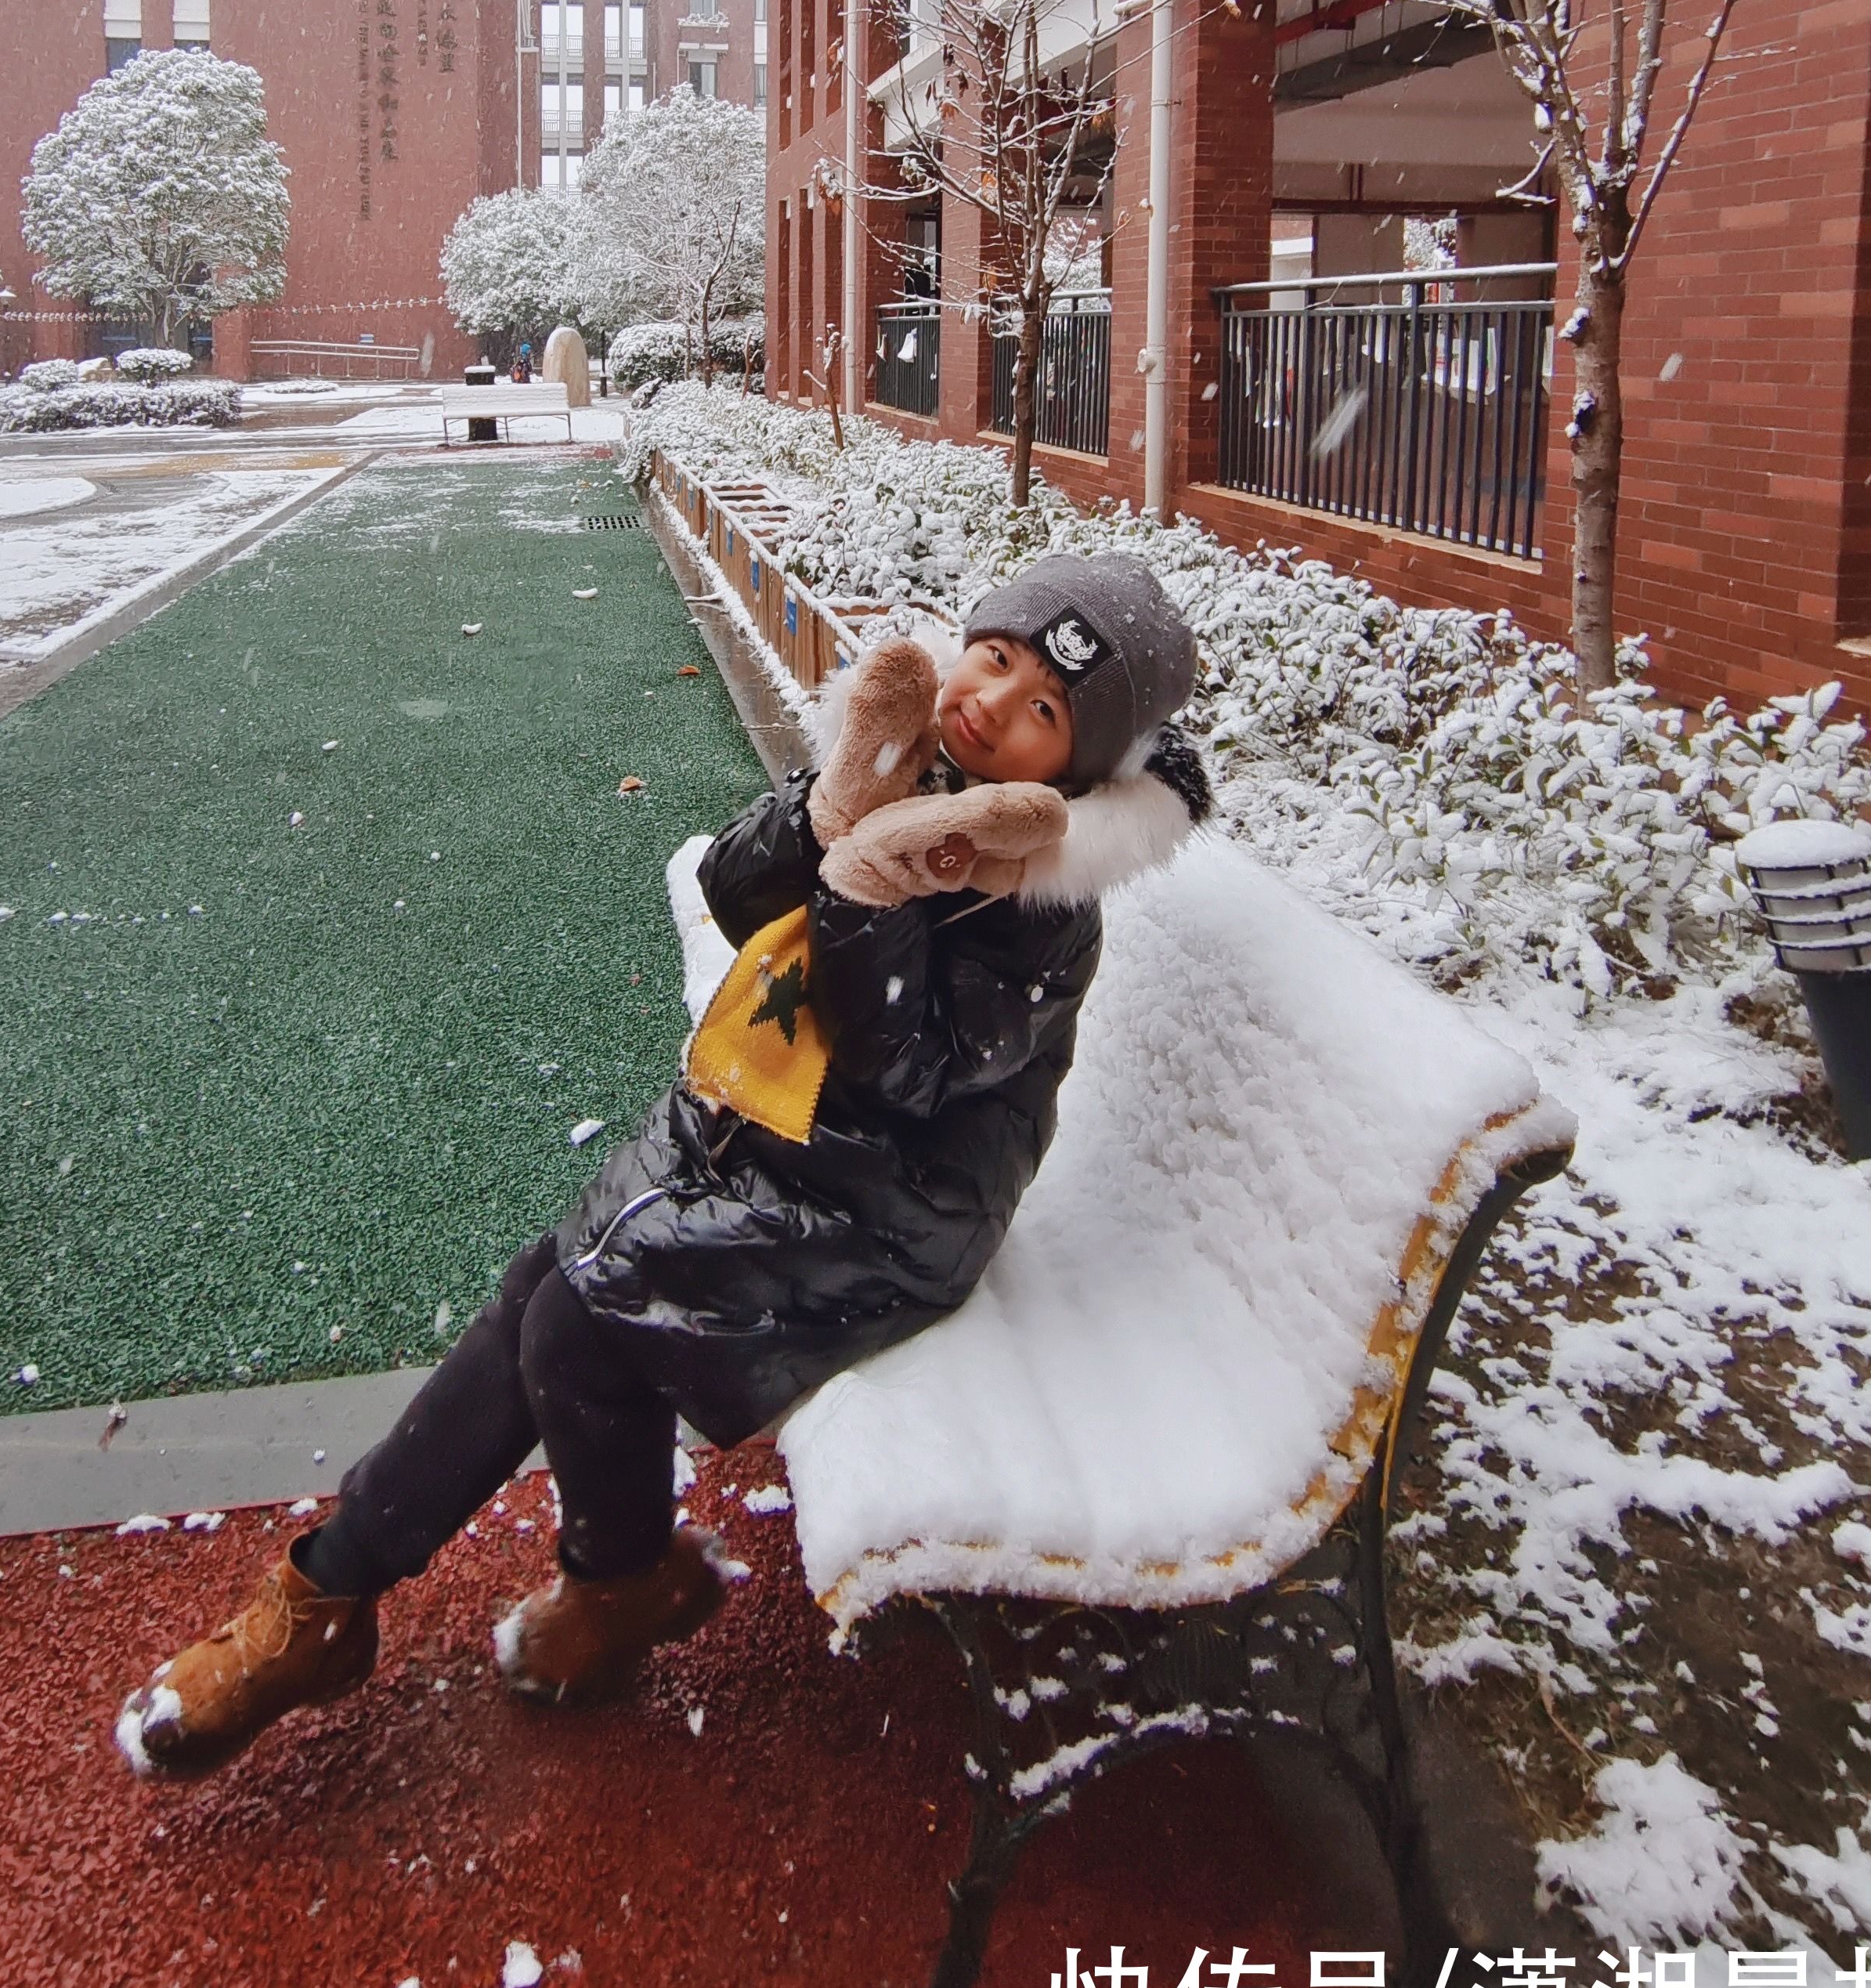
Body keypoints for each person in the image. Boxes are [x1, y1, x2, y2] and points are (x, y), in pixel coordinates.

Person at [114, 553, 1207, 1784]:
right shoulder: (918, 763)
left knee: (581, 1326)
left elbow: (909, 1074)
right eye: (995, 659)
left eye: (1044, 712)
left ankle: (620, 1583)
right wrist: (830, 807)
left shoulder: (1043, 900)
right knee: (545, 1284)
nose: (996, 705)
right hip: (776, 1131)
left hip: (897, 1209)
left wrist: (868, 891)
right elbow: (738, 896)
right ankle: (328, 1594)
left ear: (1077, 764)